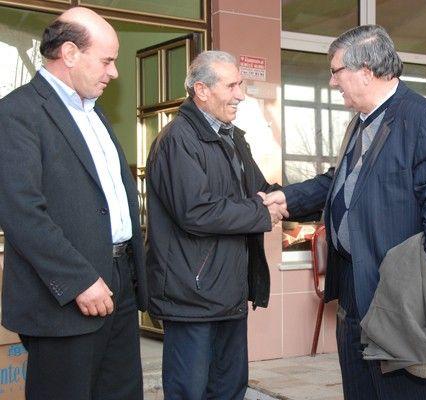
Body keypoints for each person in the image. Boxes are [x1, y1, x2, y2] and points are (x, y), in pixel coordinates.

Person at [263, 25, 426, 399]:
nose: (332, 81)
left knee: (401, 390)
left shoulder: (421, 118)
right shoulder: (361, 121)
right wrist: (287, 198)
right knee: (360, 387)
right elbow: (338, 182)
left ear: (366, 71)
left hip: (397, 286)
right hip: (354, 281)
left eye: (336, 71)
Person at [0, 7, 147, 400]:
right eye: (107, 60)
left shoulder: (94, 114)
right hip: (65, 297)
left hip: (118, 282)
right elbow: (21, 212)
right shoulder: (17, 113)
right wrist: (79, 280)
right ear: (69, 53)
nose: (114, 73)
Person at [145, 50, 285, 400]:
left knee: (229, 390)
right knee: (190, 392)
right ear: (202, 90)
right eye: (232, 86)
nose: (241, 95)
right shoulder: (177, 140)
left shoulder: (233, 138)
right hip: (192, 296)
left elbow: (261, 191)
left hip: (229, 292)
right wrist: (260, 212)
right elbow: (196, 211)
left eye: (241, 84)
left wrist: (293, 199)